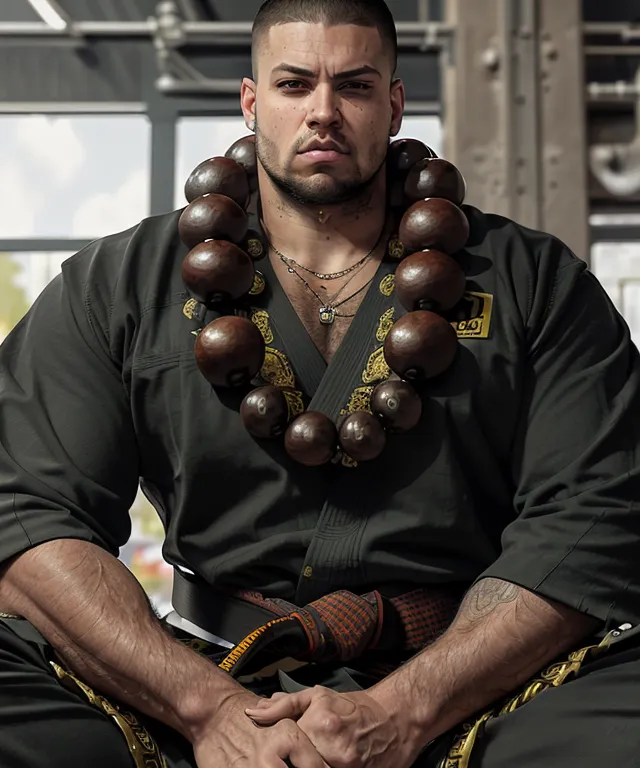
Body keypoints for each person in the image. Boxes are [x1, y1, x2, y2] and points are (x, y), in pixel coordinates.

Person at [1, 0, 640, 766]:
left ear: (395, 104)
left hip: (473, 681)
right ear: (251, 100)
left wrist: (403, 711)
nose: (324, 112)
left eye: (356, 87)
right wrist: (210, 711)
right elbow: (28, 508)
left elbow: (597, 511)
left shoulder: (534, 281)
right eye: (295, 84)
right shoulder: (120, 283)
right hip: (196, 674)